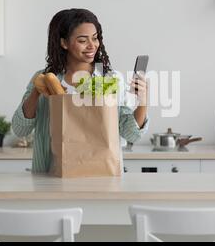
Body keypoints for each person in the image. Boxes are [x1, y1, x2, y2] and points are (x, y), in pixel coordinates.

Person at [12, 9, 149, 173]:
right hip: (51, 177)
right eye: (83, 40)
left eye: (95, 38)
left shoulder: (110, 80)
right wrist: (36, 91)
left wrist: (143, 101)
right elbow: (20, 129)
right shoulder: (46, 78)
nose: (92, 46)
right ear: (64, 43)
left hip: (102, 177)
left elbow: (131, 134)